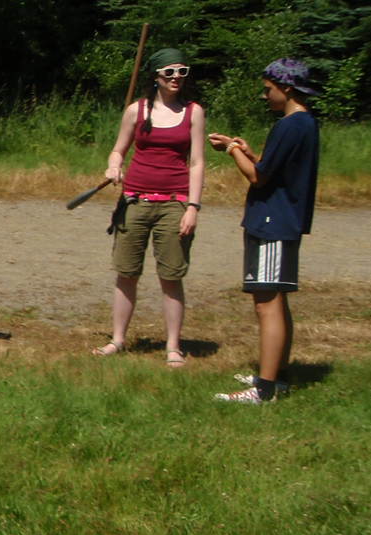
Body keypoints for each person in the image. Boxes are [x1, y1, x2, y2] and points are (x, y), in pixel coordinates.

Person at [209, 59, 321, 404]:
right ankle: (276, 375)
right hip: (281, 220)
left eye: (268, 89)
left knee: (267, 302)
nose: (264, 95)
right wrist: (250, 153)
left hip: (273, 223)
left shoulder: (291, 125)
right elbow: (272, 169)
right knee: (276, 300)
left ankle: (265, 389)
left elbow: (258, 177)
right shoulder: (304, 124)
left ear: (286, 88)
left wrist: (231, 150)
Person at [94, 47, 206, 366]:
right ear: (156, 76)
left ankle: (173, 346)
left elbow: (197, 162)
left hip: (174, 203)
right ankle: (117, 340)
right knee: (126, 273)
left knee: (171, 275)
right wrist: (113, 166)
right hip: (135, 201)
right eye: (169, 72)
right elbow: (118, 150)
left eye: (182, 71)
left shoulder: (194, 112)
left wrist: (193, 207)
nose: (176, 77)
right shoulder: (136, 110)